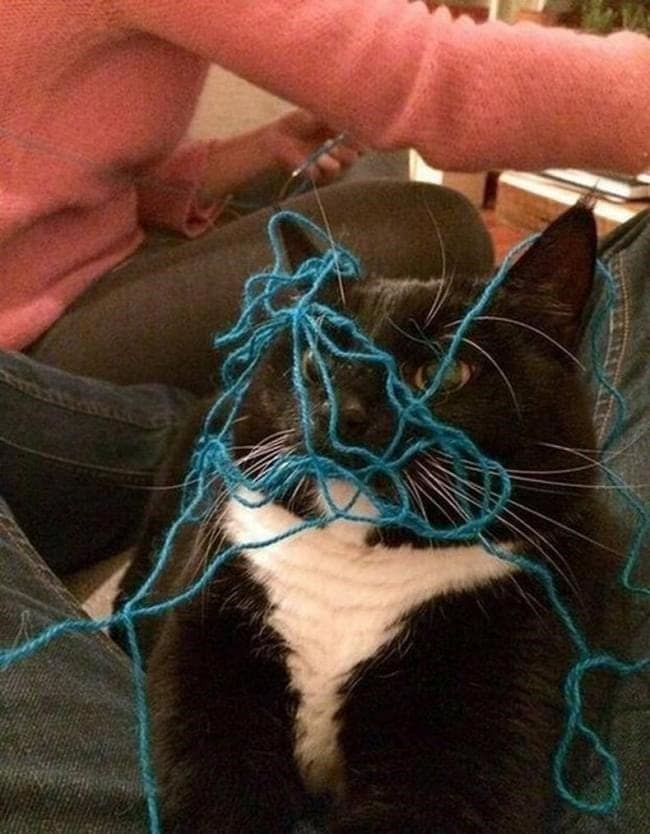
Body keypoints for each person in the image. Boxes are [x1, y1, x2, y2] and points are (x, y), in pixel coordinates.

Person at [0, 1, 648, 831]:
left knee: (389, 203)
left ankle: (184, 436)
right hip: (33, 319)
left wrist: (244, 158)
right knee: (427, 220)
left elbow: (92, 171)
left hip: (98, 255)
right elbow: (425, 79)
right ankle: (182, 438)